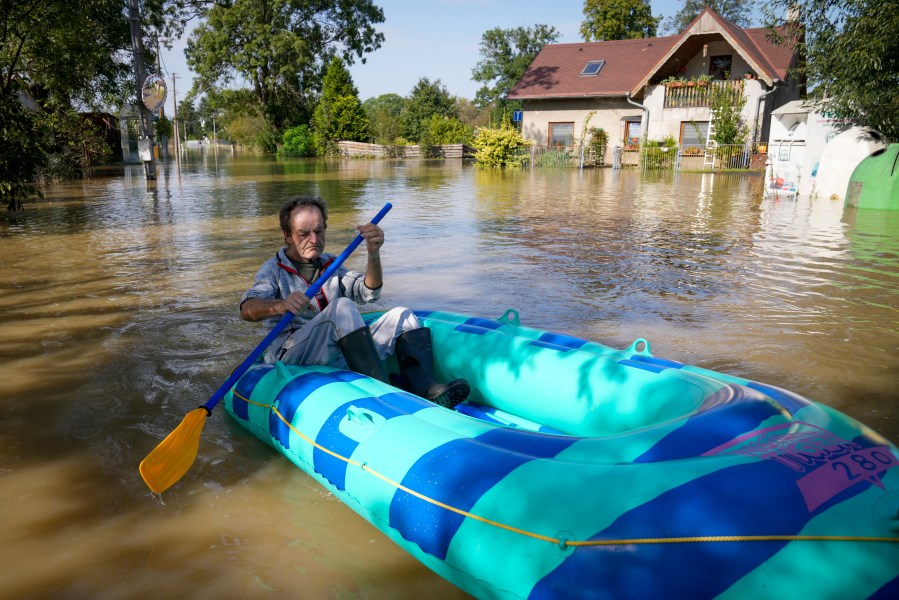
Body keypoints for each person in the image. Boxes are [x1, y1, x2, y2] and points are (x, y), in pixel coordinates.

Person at [239, 196, 469, 408]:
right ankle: (381, 392)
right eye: (303, 234)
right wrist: (279, 305)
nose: (314, 240)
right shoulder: (273, 270)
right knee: (342, 308)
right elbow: (247, 309)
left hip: (335, 349)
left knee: (402, 315)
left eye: (319, 231)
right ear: (287, 236)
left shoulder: (331, 264)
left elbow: (368, 292)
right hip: (292, 355)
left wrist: (373, 252)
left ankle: (425, 388)